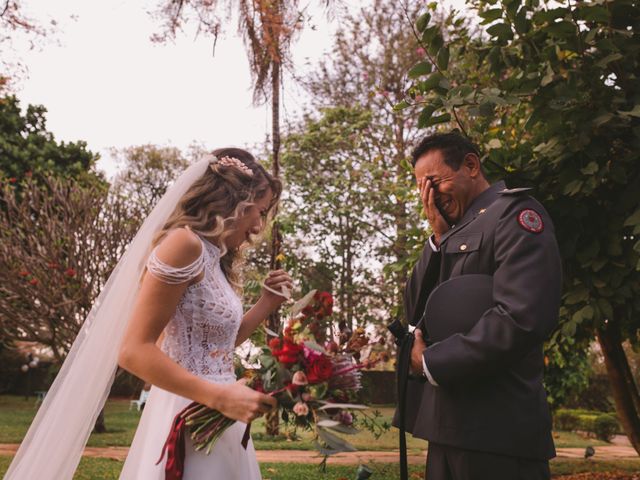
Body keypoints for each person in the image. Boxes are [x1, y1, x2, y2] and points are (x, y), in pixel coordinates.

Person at [5, 148, 291, 480]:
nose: (259, 225)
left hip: (221, 413)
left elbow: (215, 347)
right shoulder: (183, 244)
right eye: (260, 211)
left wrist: (266, 303)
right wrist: (218, 396)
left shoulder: (215, 257)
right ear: (234, 201)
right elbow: (133, 350)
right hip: (187, 409)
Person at [399, 132, 562, 480]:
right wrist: (438, 239)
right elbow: (416, 311)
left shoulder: (515, 215)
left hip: (498, 431)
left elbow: (520, 317)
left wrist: (430, 361)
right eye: (421, 186)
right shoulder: (453, 231)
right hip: (448, 427)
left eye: (435, 182)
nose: (429, 195)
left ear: (471, 165)